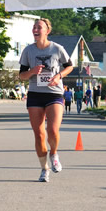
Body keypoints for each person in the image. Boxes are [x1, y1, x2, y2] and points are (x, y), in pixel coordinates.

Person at [18, 18, 73, 182]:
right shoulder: (28, 51)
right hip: (35, 94)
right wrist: (32, 71)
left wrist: (59, 76)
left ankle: (54, 153)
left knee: (53, 131)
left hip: (54, 93)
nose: (35, 29)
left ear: (47, 30)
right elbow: (21, 76)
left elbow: (70, 66)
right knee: (39, 135)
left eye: (39, 27)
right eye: (34, 27)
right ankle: (44, 169)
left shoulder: (57, 48)